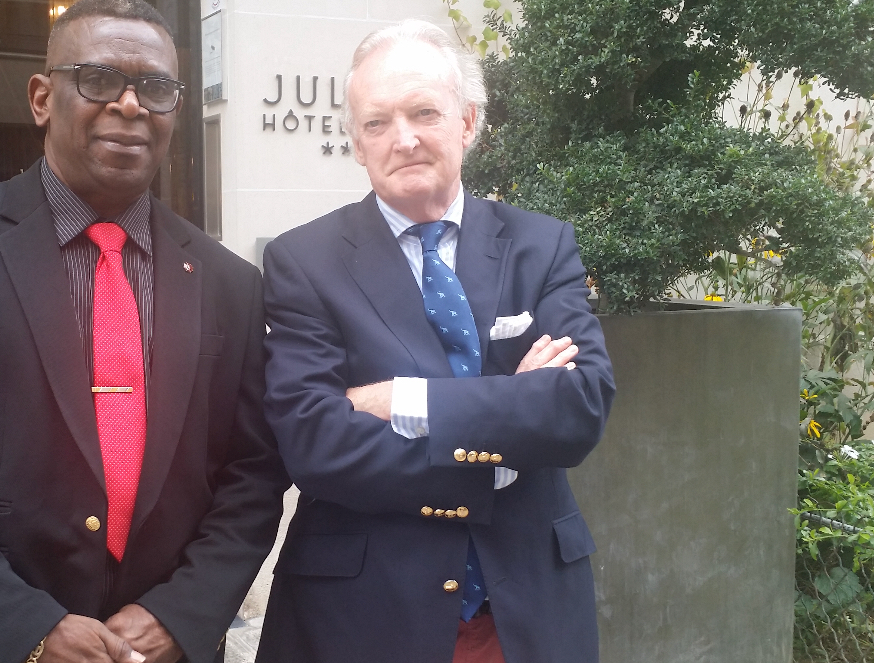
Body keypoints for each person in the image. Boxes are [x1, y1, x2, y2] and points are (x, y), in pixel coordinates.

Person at [0, 2, 288, 662]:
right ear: (42, 98)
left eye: (156, 87)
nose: (130, 105)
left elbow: (251, 475)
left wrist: (179, 614)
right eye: (99, 78)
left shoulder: (230, 282)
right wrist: (26, 628)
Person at [257, 19, 616, 663]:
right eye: (377, 122)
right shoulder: (303, 262)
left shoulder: (541, 246)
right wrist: (503, 441)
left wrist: (404, 400)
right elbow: (315, 442)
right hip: (363, 616)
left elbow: (580, 405)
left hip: (524, 612)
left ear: (468, 122)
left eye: (425, 112)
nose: (404, 139)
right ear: (357, 143)